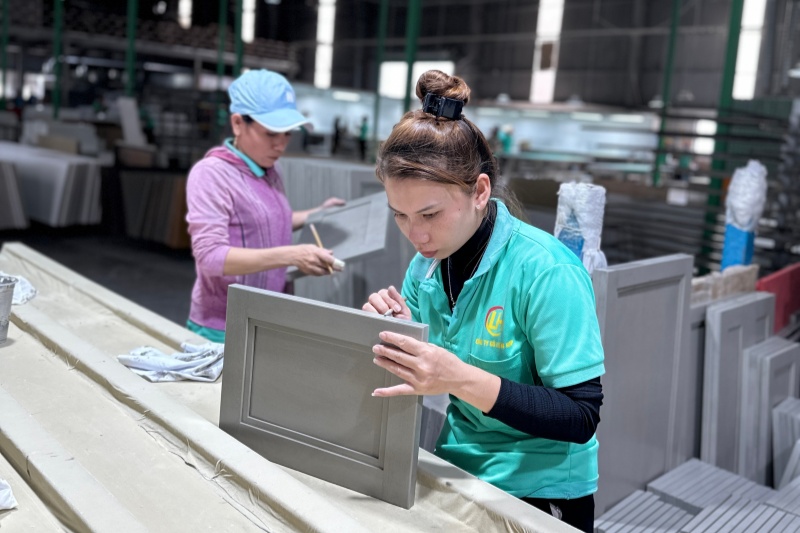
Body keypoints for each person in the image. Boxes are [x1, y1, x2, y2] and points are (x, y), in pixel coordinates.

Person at [362, 70, 604, 533]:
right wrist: (396, 337)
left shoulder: (546, 271)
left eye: (430, 214)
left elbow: (580, 415)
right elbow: (424, 369)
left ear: (480, 191)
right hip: (459, 465)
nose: (417, 235)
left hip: (542, 486)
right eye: (401, 217)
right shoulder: (426, 267)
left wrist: (458, 377)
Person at [185, 69, 345, 343]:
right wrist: (292, 256)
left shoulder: (270, 169)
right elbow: (210, 257)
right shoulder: (211, 174)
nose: (281, 144)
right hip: (222, 328)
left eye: (287, 134)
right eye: (271, 133)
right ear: (237, 124)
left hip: (266, 318)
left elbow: (268, 220)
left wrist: (317, 214)